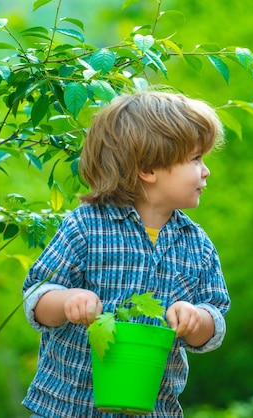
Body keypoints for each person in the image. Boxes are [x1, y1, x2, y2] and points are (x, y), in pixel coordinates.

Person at [22, 90, 231, 417]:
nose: (205, 171)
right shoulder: (86, 226)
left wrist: (196, 318)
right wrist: (66, 301)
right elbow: (36, 297)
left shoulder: (197, 244)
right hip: (67, 408)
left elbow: (214, 318)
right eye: (195, 159)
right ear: (149, 168)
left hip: (151, 409)